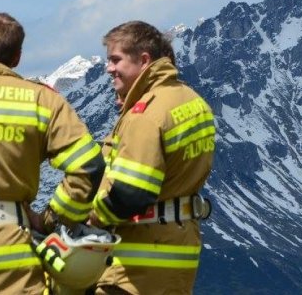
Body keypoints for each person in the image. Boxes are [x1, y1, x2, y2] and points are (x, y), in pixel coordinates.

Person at [0, 13, 104, 295]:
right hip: (10, 260)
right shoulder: (41, 100)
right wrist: (52, 219)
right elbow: (89, 166)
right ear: (17, 57)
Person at [91, 21, 216, 295]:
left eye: (115, 60)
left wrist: (93, 218)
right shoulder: (194, 102)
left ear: (144, 60)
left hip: (137, 265)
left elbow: (132, 192)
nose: (108, 68)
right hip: (180, 249)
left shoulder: (145, 114)